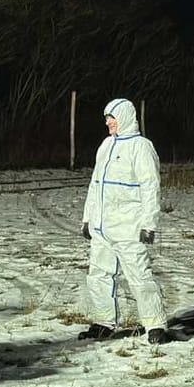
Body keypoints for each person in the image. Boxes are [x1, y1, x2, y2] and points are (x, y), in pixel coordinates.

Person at [80, 97, 167, 343]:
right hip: (102, 229)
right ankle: (103, 322)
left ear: (125, 117)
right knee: (98, 276)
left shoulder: (141, 147)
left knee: (139, 277)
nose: (108, 122)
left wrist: (148, 224)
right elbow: (95, 185)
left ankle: (155, 325)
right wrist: (88, 218)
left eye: (112, 118)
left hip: (128, 228)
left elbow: (150, 187)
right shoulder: (106, 145)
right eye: (107, 118)